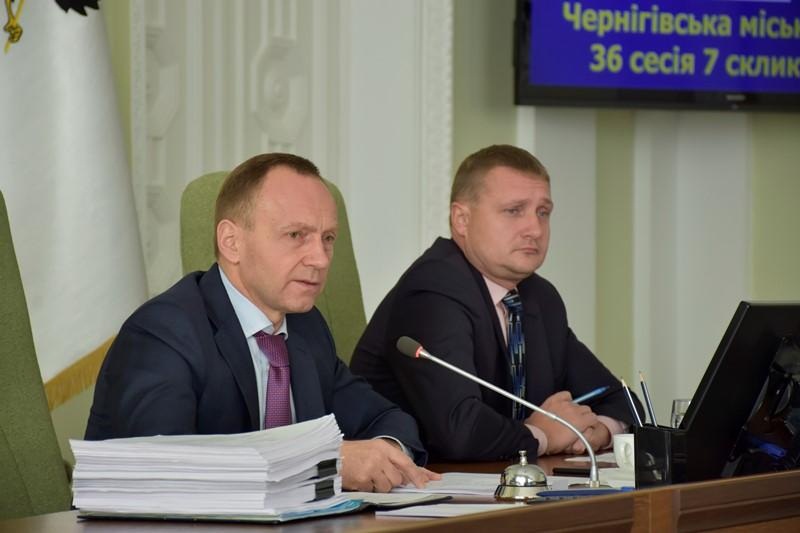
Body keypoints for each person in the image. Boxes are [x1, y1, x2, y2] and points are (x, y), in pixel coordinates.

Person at [86, 153, 438, 493]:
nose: (320, 259)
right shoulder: (163, 332)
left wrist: (385, 456)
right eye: (296, 235)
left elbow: (387, 419)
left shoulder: (305, 328)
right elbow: (165, 466)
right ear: (232, 242)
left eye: (328, 238)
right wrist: (324, 461)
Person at [350, 144, 641, 462]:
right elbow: (460, 430)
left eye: (543, 212)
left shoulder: (539, 297)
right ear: (461, 219)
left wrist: (600, 429)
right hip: (418, 483)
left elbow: (620, 399)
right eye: (514, 211)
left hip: (503, 479)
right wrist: (543, 435)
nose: (534, 229)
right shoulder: (433, 289)